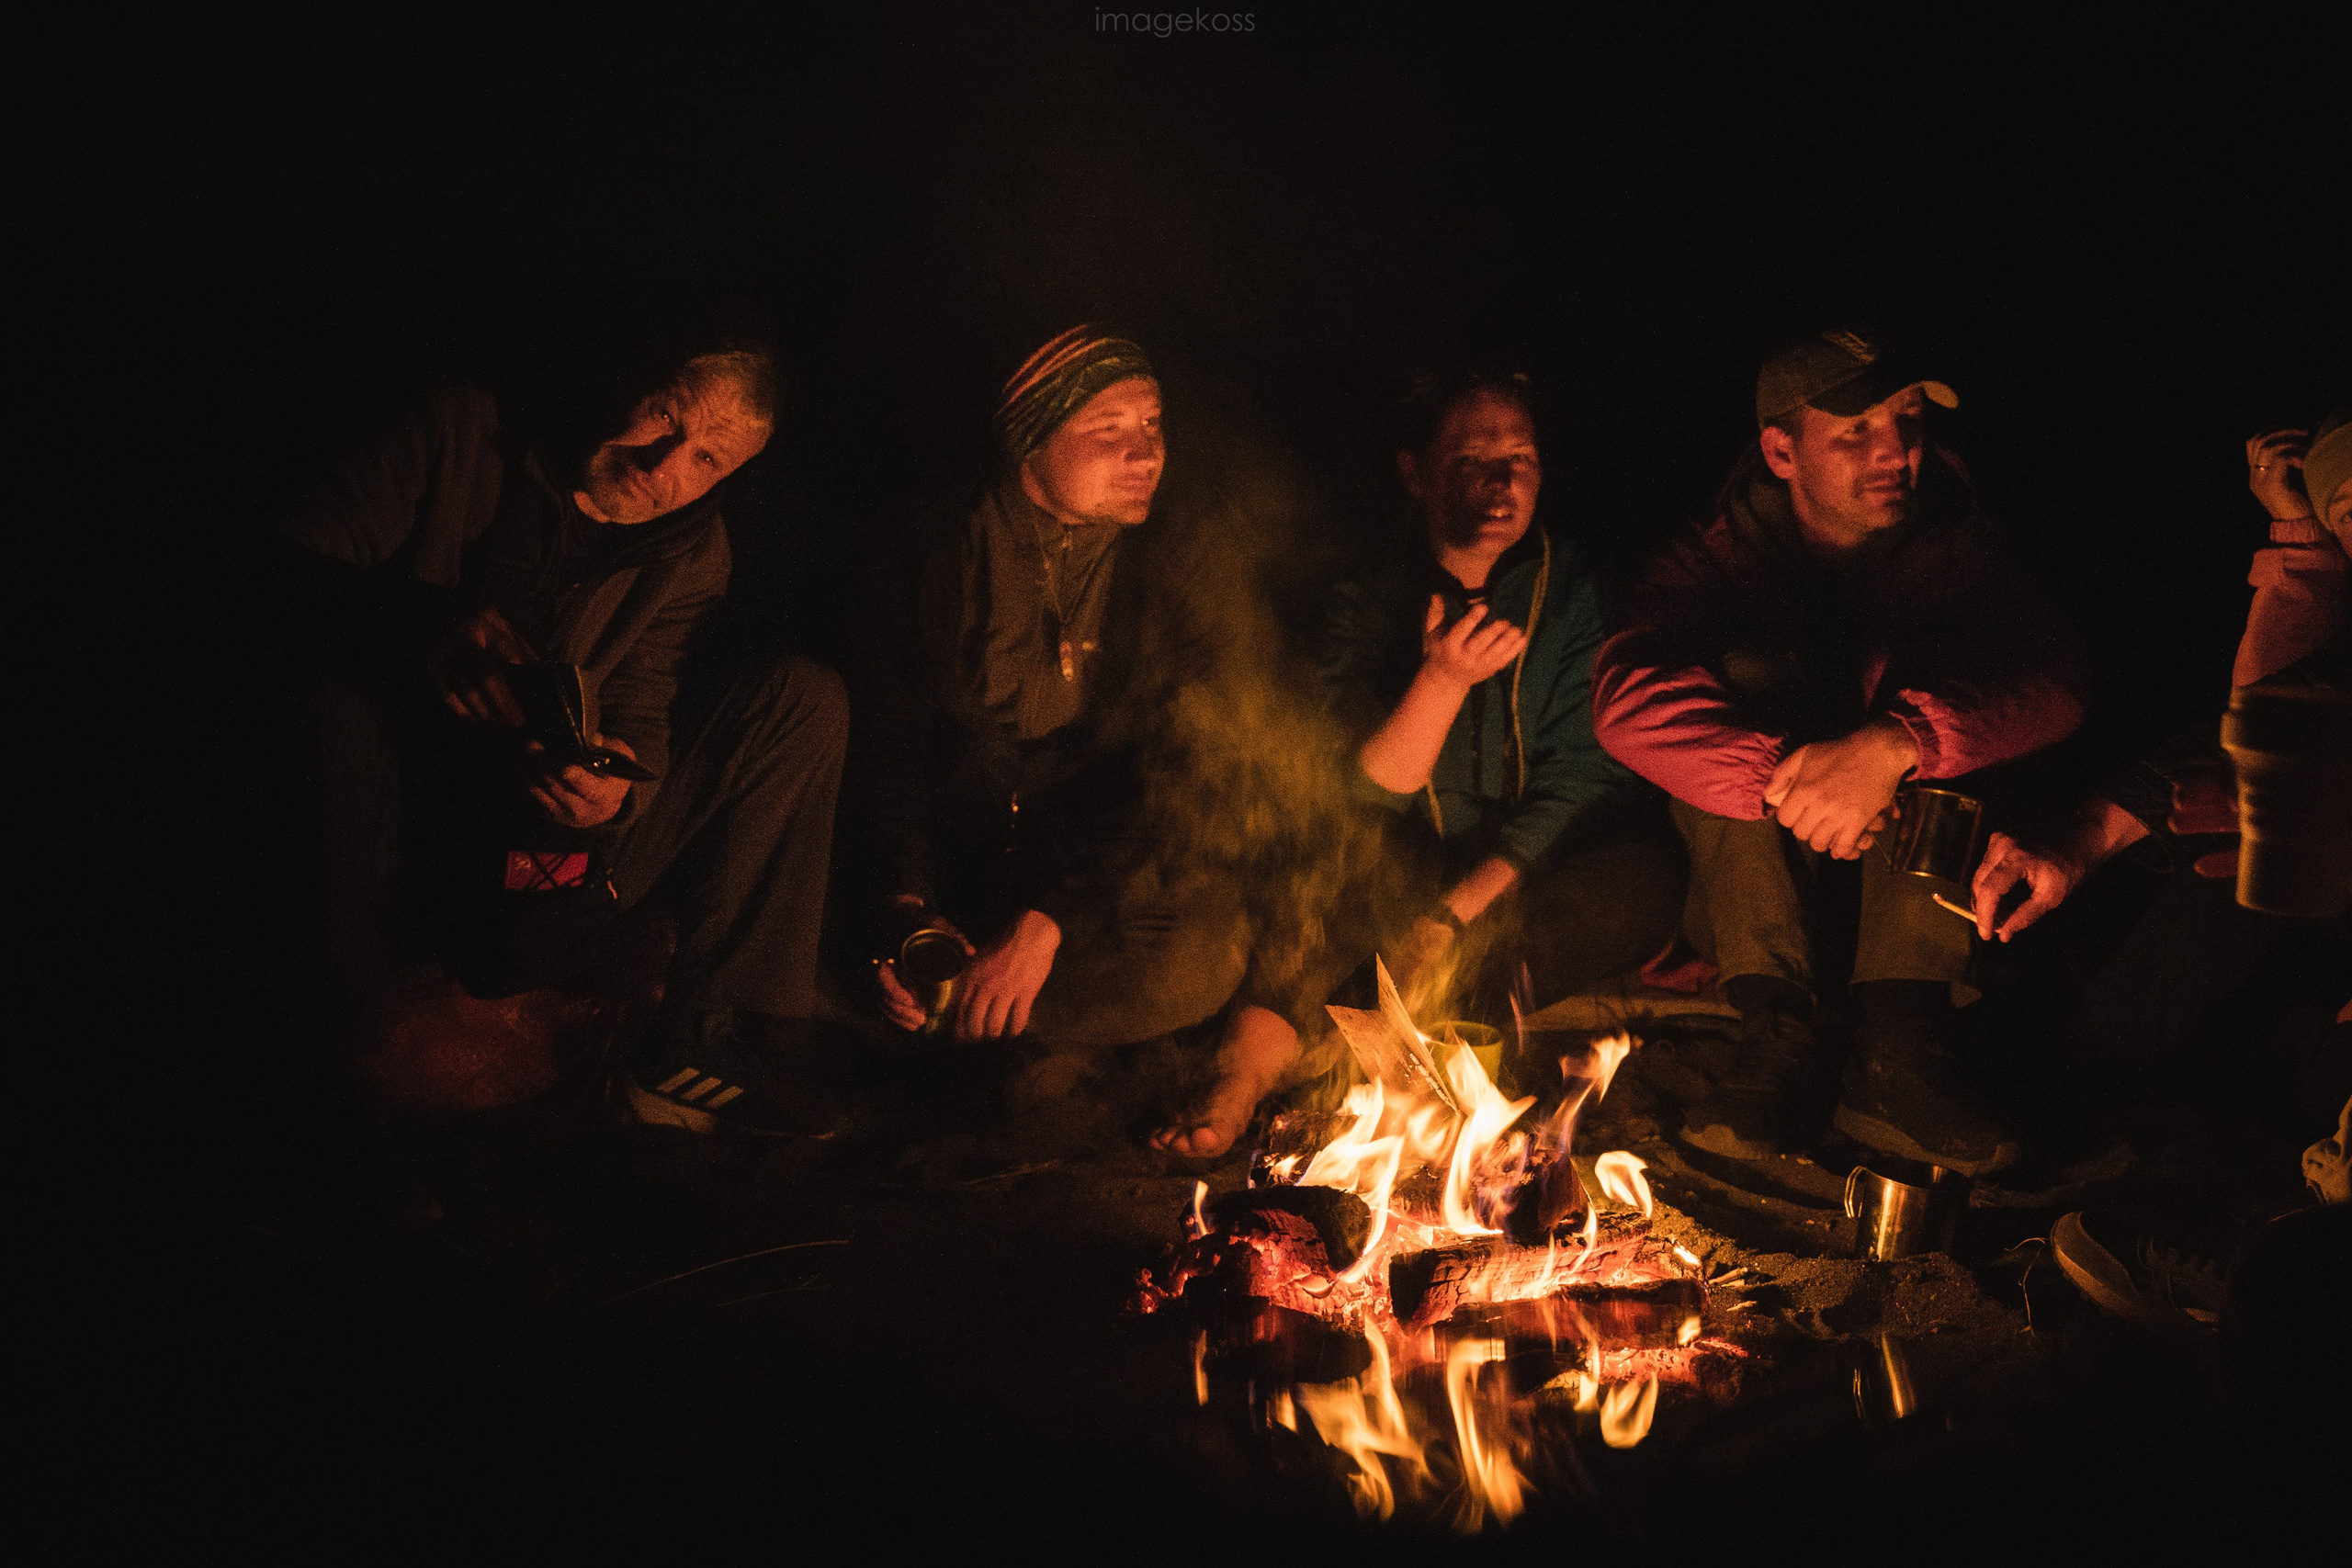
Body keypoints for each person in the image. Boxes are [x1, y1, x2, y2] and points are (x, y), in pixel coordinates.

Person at [284, 337, 849, 1136]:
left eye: (708, 459)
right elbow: (273, 569)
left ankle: (706, 1045)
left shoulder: (690, 551)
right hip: (395, 813)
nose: (664, 464)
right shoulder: (461, 436)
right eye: (664, 415)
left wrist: (615, 786)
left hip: (541, 849)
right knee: (327, 700)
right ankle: (334, 1059)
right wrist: (419, 631)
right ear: (629, 379)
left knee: (800, 698)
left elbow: (642, 718)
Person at [1592, 329, 2086, 1174]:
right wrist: (1794, 780)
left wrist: (1895, 742)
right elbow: (1621, 700)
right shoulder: (1714, 558)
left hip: (1918, 901)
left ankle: (1898, 1044)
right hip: (1762, 914)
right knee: (1737, 677)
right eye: (1854, 429)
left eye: (1907, 418)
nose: (1896, 449)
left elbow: (2056, 682)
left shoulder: (1960, 550)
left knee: (1943, 684)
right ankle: (1776, 1030)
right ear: (1781, 452)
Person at [855, 327, 1287, 1140]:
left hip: (1086, 872)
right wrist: (904, 905)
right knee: (862, 946)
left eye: (1153, 426)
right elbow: (888, 744)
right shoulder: (937, 550)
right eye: (1108, 431)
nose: (1145, 453)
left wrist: (1052, 920)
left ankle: (957, 1022)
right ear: (1030, 441)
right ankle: (944, 1005)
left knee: (1201, 957)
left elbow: (1190, 764)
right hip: (961, 854)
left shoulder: (1177, 551)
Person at [1313, 367, 1680, 1028]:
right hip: (1411, 866)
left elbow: (1581, 780)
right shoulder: (1368, 595)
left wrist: (1450, 918)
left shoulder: (1577, 591)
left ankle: (1443, 1022)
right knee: (1323, 891)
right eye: (1471, 460)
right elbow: (1367, 791)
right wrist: (1442, 681)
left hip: (1532, 876)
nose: (1503, 483)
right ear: (1414, 472)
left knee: (1637, 884)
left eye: (1520, 459)